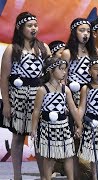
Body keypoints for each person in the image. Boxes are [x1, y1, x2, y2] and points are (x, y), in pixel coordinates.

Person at [0, 11, 51, 180]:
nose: (33, 28)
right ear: (20, 27)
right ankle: (17, 176)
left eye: (35, 25)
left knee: (39, 138)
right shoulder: (12, 49)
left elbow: (51, 75)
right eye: (30, 25)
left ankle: (44, 175)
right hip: (18, 99)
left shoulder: (44, 48)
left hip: (39, 98)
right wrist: (6, 104)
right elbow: (4, 78)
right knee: (18, 138)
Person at [31, 57, 82, 180]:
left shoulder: (66, 89)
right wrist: (33, 129)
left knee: (68, 154)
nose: (64, 72)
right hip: (48, 128)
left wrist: (79, 124)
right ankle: (46, 178)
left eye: (65, 69)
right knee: (49, 156)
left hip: (63, 127)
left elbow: (73, 109)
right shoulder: (42, 90)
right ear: (50, 71)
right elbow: (36, 111)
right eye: (61, 69)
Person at [62, 17, 97, 179]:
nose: (85, 34)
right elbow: (62, 78)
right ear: (74, 32)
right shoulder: (68, 53)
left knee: (89, 137)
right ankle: (73, 175)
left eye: (88, 31)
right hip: (73, 99)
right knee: (75, 137)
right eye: (81, 30)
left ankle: (91, 173)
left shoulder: (92, 53)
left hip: (90, 97)